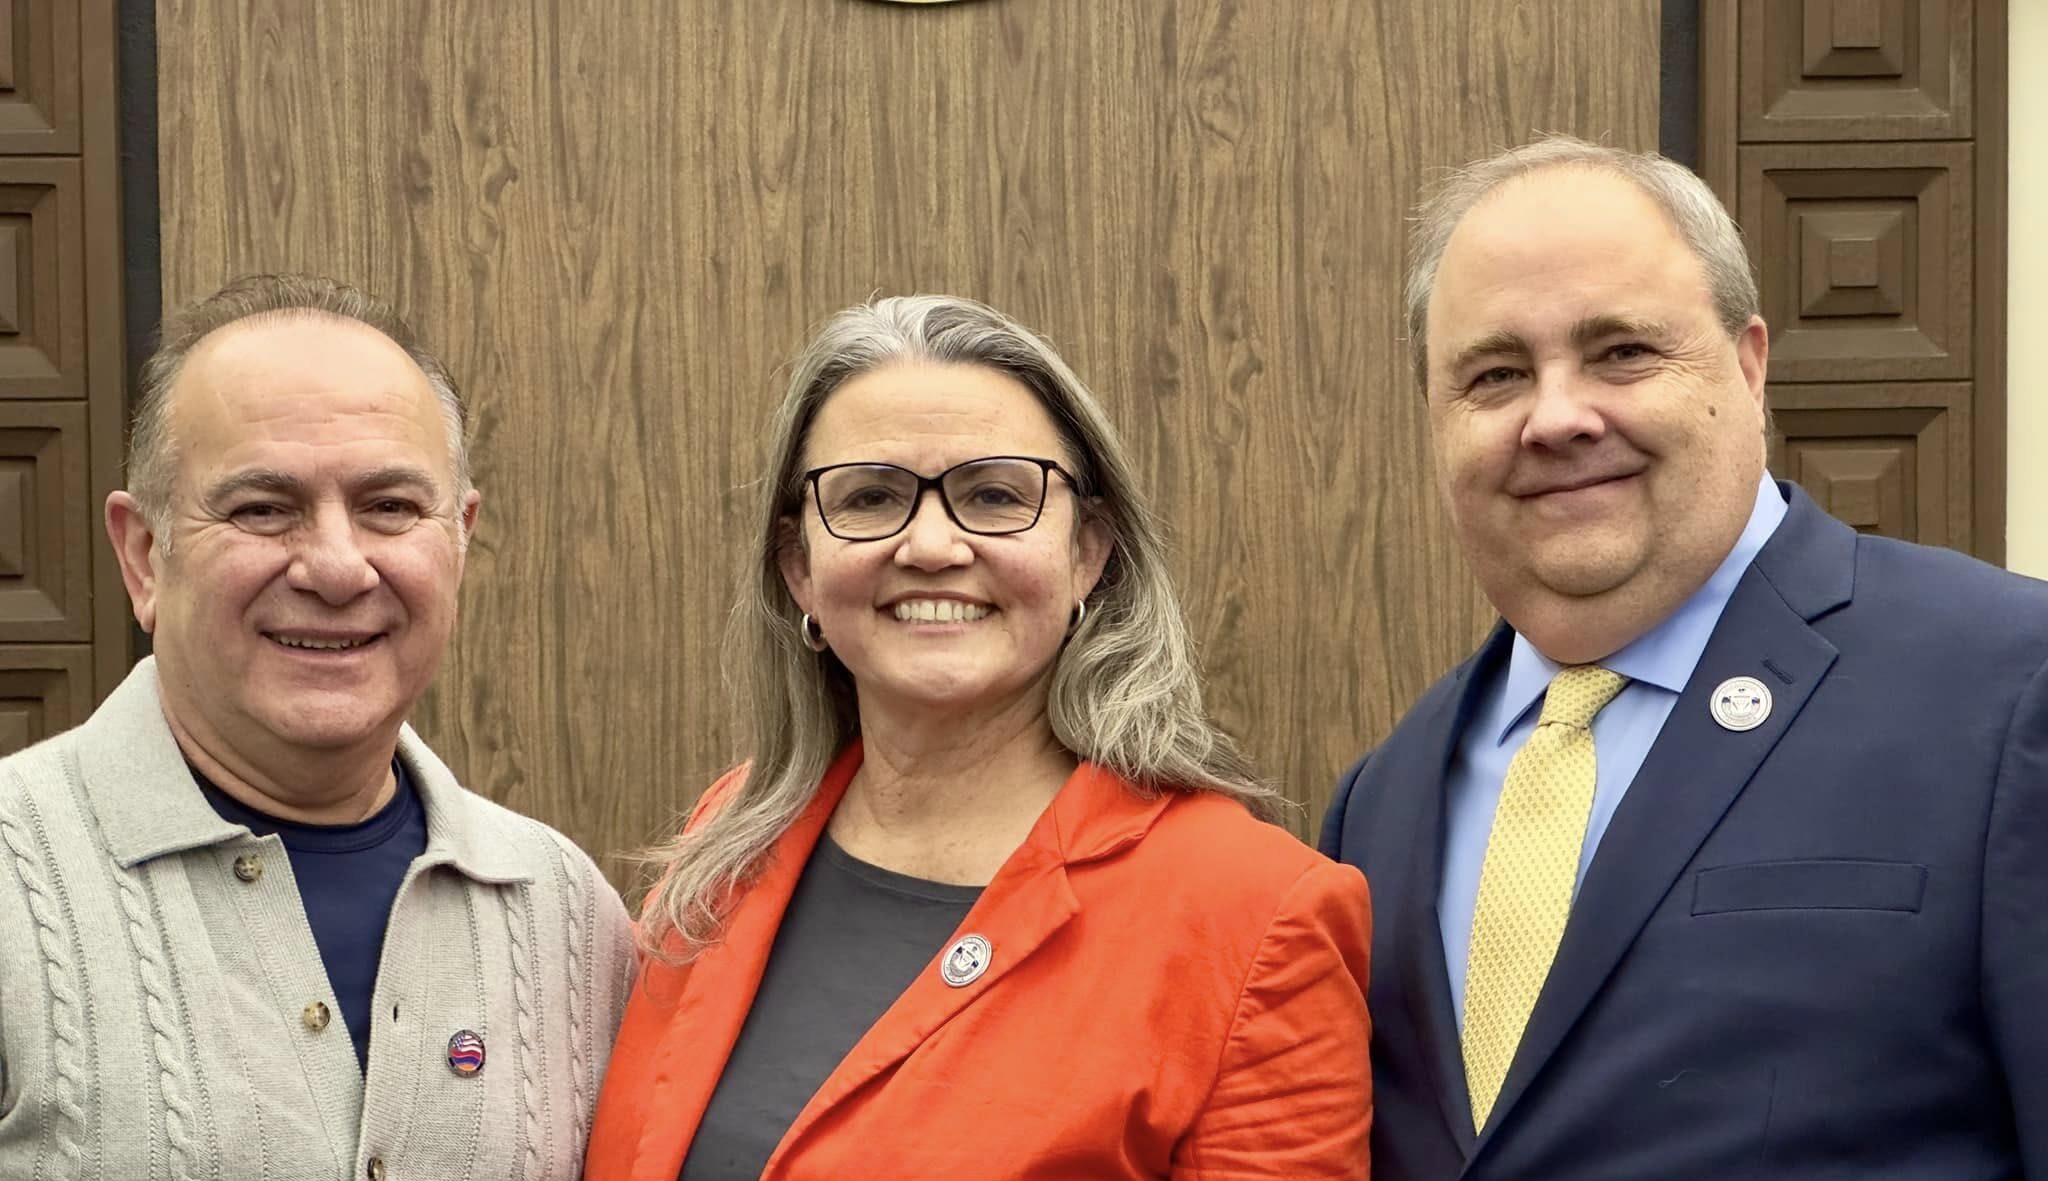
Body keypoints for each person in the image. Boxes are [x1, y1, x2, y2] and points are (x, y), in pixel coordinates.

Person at [1319, 133, 2048, 1179]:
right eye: (1493, 373)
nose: (1556, 416)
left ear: (1748, 366)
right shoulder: (1378, 800)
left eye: (1619, 351)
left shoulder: (2007, 687)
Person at [586, 294, 1372, 1180]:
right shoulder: (730, 836)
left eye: (994, 494)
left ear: (1090, 551)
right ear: (799, 568)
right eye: (871, 496)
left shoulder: (1257, 912)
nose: (930, 544)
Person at [0, 274, 636, 1179]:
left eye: (390, 507)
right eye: (263, 507)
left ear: (459, 538)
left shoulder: (566, 913)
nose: (339, 567)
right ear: (145, 554)